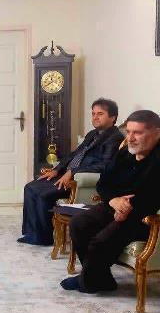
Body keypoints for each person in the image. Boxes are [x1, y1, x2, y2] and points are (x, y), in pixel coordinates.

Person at [61, 110, 160, 293]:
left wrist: (127, 208)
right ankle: (99, 278)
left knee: (101, 241)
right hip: (116, 206)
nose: (130, 138)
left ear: (156, 133)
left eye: (137, 133)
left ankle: (89, 280)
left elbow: (153, 197)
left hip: (144, 217)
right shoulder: (125, 152)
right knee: (79, 224)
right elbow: (103, 183)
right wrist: (114, 200)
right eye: (128, 132)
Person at [19, 98, 124, 246]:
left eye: (100, 114)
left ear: (113, 117)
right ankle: (31, 233)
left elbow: (104, 165)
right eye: (93, 113)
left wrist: (72, 172)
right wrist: (56, 170)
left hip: (78, 179)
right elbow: (74, 155)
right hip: (67, 174)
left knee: (42, 193)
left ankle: (43, 238)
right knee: (30, 187)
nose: (95, 117)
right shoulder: (93, 134)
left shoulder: (115, 138)